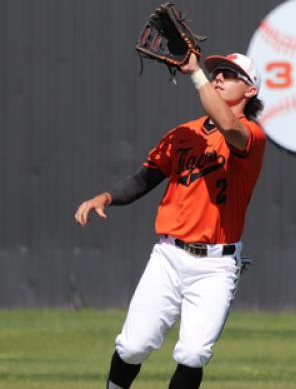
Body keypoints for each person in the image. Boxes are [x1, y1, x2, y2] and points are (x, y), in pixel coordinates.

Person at [74, 52, 266, 389]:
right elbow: (145, 177)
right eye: (216, 72)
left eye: (230, 74)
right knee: (132, 347)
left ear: (249, 91)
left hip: (216, 267)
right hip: (168, 257)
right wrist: (106, 197)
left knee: (193, 354)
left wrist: (196, 74)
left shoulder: (250, 135)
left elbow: (228, 126)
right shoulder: (184, 133)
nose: (219, 77)